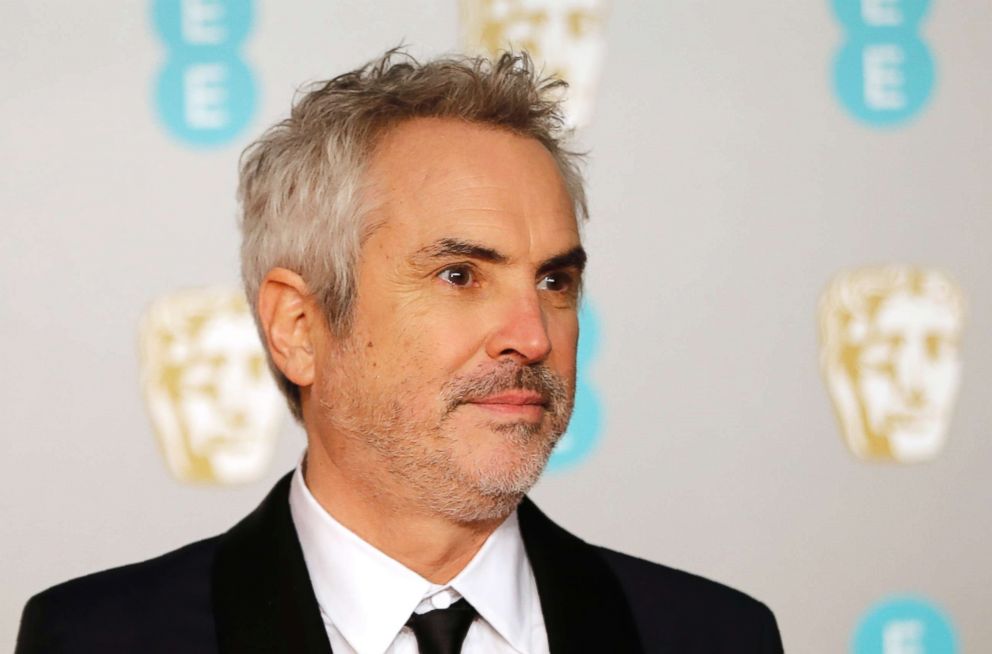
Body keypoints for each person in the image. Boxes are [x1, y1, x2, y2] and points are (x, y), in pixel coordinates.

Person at [16, 50, 784, 654]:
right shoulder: (102, 639)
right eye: (460, 274)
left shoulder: (713, 636)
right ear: (300, 328)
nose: (533, 334)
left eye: (554, 279)